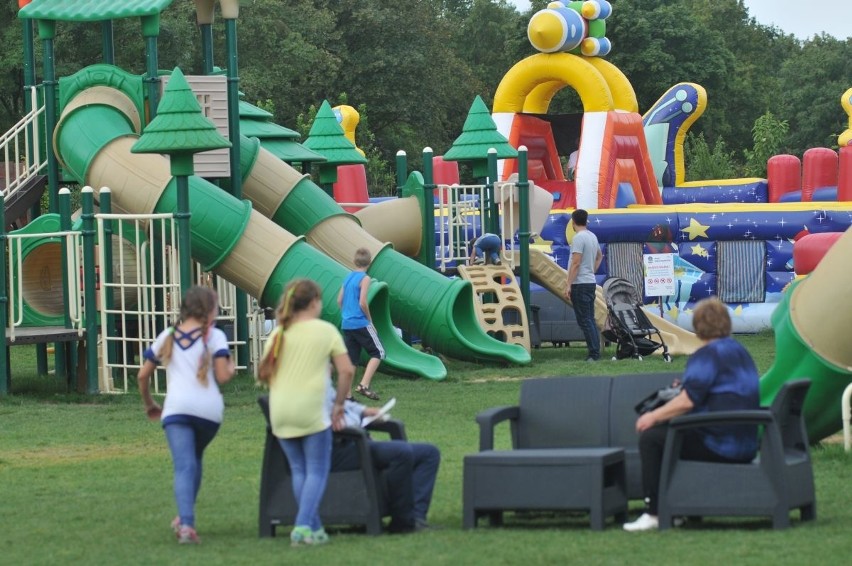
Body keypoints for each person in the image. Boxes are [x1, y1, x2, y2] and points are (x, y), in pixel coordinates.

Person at [623, 297, 760, 532]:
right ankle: (679, 508)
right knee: (674, 436)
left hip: (719, 444)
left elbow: (687, 401)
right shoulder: (740, 351)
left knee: (653, 437)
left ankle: (654, 512)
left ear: (698, 326)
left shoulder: (707, 354)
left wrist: (652, 417)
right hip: (746, 442)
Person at [259, 278, 355, 546]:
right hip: (311, 409)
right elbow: (347, 370)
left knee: (299, 470)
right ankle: (302, 527)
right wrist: (338, 404)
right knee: (316, 470)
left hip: (281, 411)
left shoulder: (278, 334)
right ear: (314, 303)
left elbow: (267, 373)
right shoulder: (324, 331)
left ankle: (314, 528)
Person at [137, 285, 235, 544]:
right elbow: (224, 376)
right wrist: (232, 364)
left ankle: (186, 524)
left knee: (184, 466)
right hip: (208, 413)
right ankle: (184, 518)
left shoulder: (167, 335)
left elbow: (142, 375)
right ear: (210, 310)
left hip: (177, 410)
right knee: (194, 460)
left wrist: (149, 404)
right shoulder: (215, 336)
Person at [331, 393, 441, 533]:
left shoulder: (323, 385)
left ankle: (416, 518)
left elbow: (343, 405)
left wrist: (365, 412)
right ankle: (403, 521)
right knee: (400, 452)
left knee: (429, 453)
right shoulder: (307, 390)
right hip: (340, 447)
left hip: (359, 440)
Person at [337, 248, 385, 401]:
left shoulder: (348, 277)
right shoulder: (365, 278)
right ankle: (364, 385)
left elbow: (339, 301)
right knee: (379, 353)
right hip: (360, 322)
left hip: (347, 324)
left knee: (352, 359)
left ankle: (347, 395)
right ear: (369, 263)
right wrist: (370, 320)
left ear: (354, 261)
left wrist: (347, 314)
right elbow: (363, 302)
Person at [564, 209, 603, 361]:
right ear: (586, 221)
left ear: (573, 222)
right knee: (589, 319)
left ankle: (594, 354)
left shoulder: (578, 238)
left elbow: (576, 263)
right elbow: (599, 257)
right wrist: (591, 272)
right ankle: (595, 351)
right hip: (589, 282)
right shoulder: (592, 236)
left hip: (580, 284)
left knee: (585, 320)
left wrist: (568, 284)